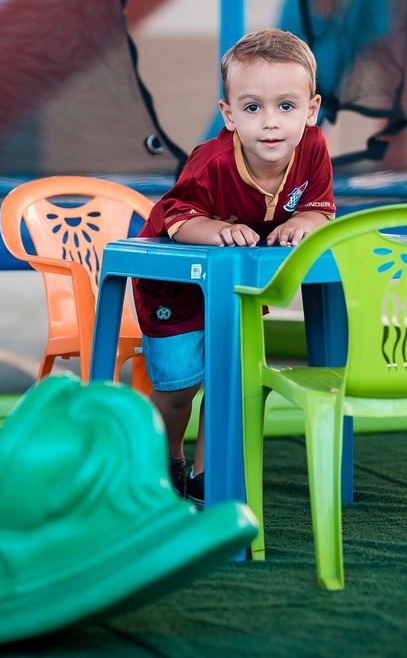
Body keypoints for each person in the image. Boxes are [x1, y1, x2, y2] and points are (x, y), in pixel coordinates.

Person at [133, 28, 336, 507]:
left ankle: (209, 475)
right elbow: (177, 218)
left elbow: (321, 209)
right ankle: (165, 458)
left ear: (311, 109)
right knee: (178, 389)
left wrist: (304, 221)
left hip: (237, 288)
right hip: (174, 289)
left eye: (286, 106)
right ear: (228, 115)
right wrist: (214, 230)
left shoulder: (313, 149)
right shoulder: (213, 162)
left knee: (227, 382)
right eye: (252, 108)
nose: (270, 123)